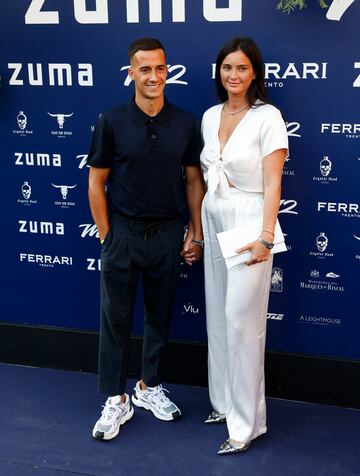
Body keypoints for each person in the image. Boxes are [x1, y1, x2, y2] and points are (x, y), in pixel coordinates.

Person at [87, 38, 204, 441]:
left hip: (168, 233)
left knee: (159, 315)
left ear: (167, 71)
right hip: (123, 233)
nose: (153, 76)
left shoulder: (186, 122)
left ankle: (148, 387)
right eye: (145, 69)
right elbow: (96, 181)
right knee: (115, 319)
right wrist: (108, 236)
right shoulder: (111, 120)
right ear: (131, 73)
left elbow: (193, 180)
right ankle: (117, 399)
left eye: (160, 69)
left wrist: (196, 232)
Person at [200, 37, 288, 455]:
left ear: (255, 73)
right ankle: (223, 402)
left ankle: (247, 424)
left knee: (241, 320)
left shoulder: (268, 117)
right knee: (217, 312)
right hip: (212, 213)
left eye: (241, 68)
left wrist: (266, 237)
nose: (233, 75)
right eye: (227, 68)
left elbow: (273, 182)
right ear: (219, 71)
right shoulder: (209, 115)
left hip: (249, 220)